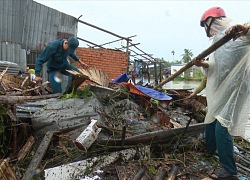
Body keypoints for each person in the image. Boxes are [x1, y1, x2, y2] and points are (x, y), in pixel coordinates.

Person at [193, 6, 250, 179]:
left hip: (236, 88)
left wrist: (244, 28)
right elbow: (214, 69)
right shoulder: (217, 44)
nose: (206, 30)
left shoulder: (236, 34)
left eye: (206, 25)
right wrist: (201, 64)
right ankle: (209, 149)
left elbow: (247, 30)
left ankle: (229, 170)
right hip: (222, 90)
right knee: (210, 120)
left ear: (212, 22)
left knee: (221, 126)